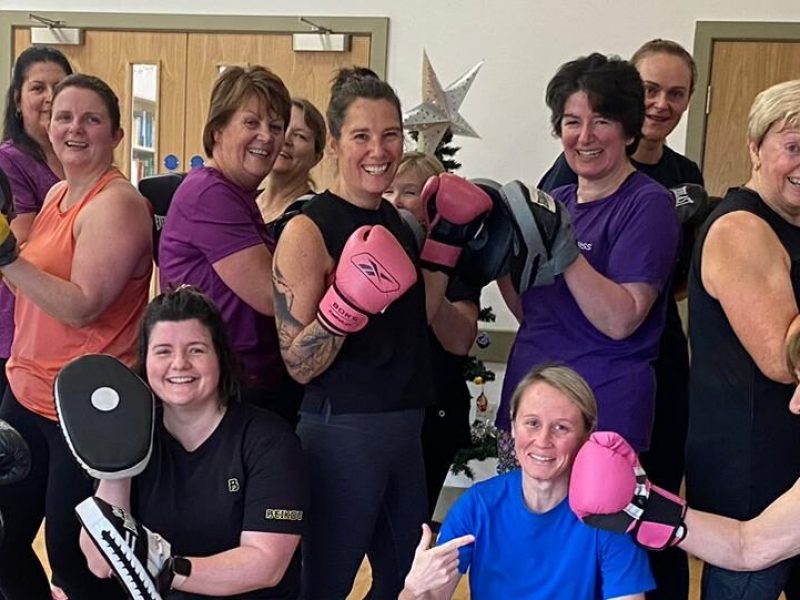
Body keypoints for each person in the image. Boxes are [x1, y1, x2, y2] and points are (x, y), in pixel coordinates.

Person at [272, 67, 491, 598]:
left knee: (404, 578)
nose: (379, 149)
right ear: (335, 145)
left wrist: (444, 245)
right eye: (362, 136)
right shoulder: (307, 229)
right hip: (341, 430)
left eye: (390, 134)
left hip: (403, 427)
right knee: (323, 583)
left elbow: (416, 324)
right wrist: (342, 306)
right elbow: (297, 363)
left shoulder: (398, 224)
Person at [0, 73, 152, 599]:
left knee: (77, 560)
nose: (75, 129)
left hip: (84, 412)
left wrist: (5, 255)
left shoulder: (118, 204)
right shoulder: (60, 193)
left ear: (116, 134)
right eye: (64, 117)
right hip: (24, 393)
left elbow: (83, 305)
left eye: (92, 119)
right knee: (3, 537)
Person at [496, 54, 680, 465]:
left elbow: (621, 320)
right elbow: (534, 313)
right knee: (524, 529)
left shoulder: (648, 205)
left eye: (601, 121)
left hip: (601, 413)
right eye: (572, 122)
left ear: (629, 131)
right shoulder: (555, 203)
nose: (585, 137)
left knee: (591, 529)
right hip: (529, 407)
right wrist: (496, 260)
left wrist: (567, 252)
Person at [78, 285, 309, 599]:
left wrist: (166, 568)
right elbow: (101, 563)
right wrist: (117, 465)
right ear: (145, 362)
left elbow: (266, 564)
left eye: (196, 350)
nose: (179, 364)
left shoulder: (269, 442)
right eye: (163, 351)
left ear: (220, 357)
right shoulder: (133, 438)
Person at [684, 78, 800, 599]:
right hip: (752, 473)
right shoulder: (740, 228)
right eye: (793, 147)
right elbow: (784, 356)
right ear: (754, 148)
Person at [400, 364, 654, 599]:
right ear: (512, 425)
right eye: (532, 423)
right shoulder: (478, 505)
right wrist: (413, 590)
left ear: (587, 435)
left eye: (561, 428)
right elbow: (431, 596)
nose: (543, 440)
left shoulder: (606, 518)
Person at [158, 66, 299, 424]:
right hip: (225, 391)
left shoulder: (238, 195)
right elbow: (272, 297)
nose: (266, 137)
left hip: (244, 382)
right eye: (251, 123)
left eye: (276, 126)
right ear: (217, 130)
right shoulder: (210, 194)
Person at [383, 151, 480, 519]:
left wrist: (429, 275)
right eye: (389, 189)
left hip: (432, 416)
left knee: (408, 529)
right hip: (378, 413)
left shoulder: (459, 262)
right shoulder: (365, 250)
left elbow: (460, 340)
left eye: (409, 191)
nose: (396, 200)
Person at [0, 46, 73, 400]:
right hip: (16, 329)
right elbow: (22, 247)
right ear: (17, 101)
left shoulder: (73, 158)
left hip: (63, 325)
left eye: (58, 88)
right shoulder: (9, 161)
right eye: (37, 88)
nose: (49, 98)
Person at [257, 97, 326, 230]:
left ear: (316, 158)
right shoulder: (243, 201)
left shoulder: (315, 214)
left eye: (300, 136)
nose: (285, 140)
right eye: (280, 128)